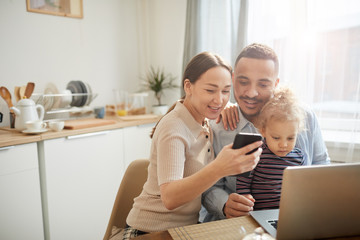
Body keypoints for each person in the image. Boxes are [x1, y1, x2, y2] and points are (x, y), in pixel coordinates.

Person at [116, 52, 262, 239]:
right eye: (210, 90)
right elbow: (170, 198)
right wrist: (219, 168)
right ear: (188, 86)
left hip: (185, 230)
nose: (219, 99)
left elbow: (217, 102)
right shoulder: (174, 127)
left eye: (225, 91)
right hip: (149, 232)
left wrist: (229, 105)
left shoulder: (202, 120)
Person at [201, 43, 330, 222]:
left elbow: (321, 164)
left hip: (294, 219)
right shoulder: (217, 126)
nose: (252, 93)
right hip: (237, 224)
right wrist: (224, 204)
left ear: (276, 84)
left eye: (263, 84)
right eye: (243, 82)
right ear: (232, 78)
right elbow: (208, 187)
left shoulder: (304, 117)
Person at [236, 86, 306, 210]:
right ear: (263, 131)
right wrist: (245, 198)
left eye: (290, 138)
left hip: (285, 213)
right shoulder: (256, 153)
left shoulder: (298, 157)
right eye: (276, 138)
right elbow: (243, 182)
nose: (284, 145)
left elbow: (300, 187)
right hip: (258, 213)